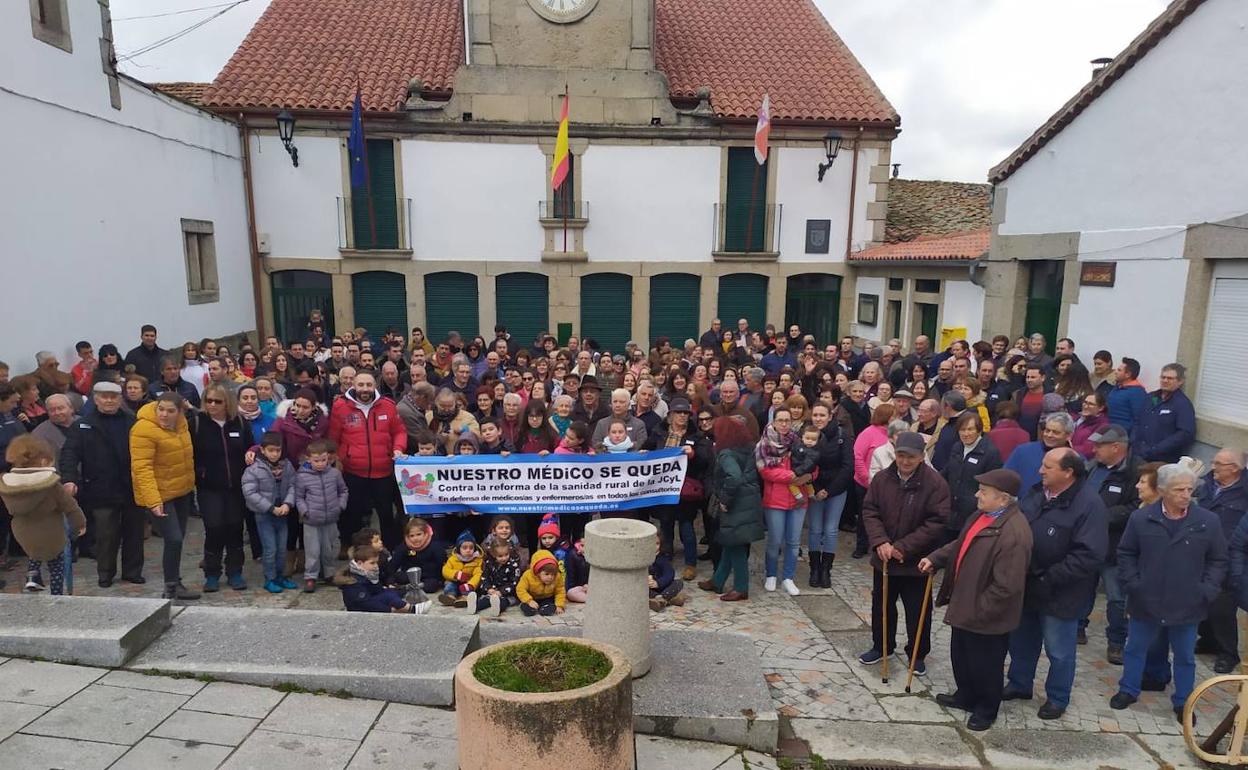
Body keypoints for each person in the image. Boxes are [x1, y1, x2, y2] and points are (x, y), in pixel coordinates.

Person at [1111, 463, 1227, 722]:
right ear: (1162, 491)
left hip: (1188, 602)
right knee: (1135, 649)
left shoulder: (1207, 521)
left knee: (1185, 656)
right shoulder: (1141, 518)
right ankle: (1128, 690)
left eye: (1189, 489)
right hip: (1146, 599)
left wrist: (1207, 589)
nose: (1186, 495)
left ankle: (1184, 702)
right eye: (1179, 490)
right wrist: (1134, 583)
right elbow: (1127, 552)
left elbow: (1218, 560)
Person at [919, 468, 1031, 731]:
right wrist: (936, 558)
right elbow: (962, 543)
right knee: (962, 656)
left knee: (986, 663)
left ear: (1003, 499)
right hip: (966, 605)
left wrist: (979, 611)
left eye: (984, 491)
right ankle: (966, 695)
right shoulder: (982, 515)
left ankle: (986, 708)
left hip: (985, 615)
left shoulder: (1014, 533)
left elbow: (1007, 586)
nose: (976, 494)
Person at [1005, 448, 1108, 719]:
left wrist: (1049, 578)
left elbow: (1089, 555)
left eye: (1047, 467)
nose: (1040, 471)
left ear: (1068, 472)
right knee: (1022, 641)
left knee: (1059, 650)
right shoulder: (1037, 492)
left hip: (1061, 591)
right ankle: (1019, 683)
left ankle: (1058, 697)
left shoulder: (1089, 504)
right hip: (1027, 584)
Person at [858, 431, 950, 674]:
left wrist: (903, 547)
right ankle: (881, 646)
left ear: (921, 457)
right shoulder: (882, 479)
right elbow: (870, 510)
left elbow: (937, 522)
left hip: (916, 562)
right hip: (885, 557)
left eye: (911, 457)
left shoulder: (935, 483)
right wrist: (881, 542)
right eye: (900, 455)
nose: (905, 461)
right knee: (882, 605)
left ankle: (917, 654)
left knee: (918, 611)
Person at [59, 381, 144, 587]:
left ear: (119, 399)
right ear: (96, 399)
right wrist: (69, 478)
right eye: (104, 396)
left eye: (113, 397)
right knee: (106, 534)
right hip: (100, 487)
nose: (109, 400)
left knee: (134, 532)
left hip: (131, 486)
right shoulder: (82, 425)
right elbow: (69, 453)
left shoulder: (132, 421)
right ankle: (105, 573)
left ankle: (132, 571)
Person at [1076, 424, 1141, 662]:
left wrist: (1103, 516)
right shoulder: (1092, 468)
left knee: (1116, 597)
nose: (1094, 449)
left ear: (1116, 447)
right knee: (1083, 589)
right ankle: (1078, 627)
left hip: (1115, 546)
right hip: (1088, 542)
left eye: (1099, 446)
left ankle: (1116, 642)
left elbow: (1137, 506)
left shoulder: (1135, 472)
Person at [130, 392, 199, 601]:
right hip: (160, 495)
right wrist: (153, 501)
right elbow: (141, 468)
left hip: (181, 490)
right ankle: (170, 587)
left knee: (178, 540)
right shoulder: (143, 429)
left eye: (171, 411)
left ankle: (175, 582)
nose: (165, 415)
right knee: (174, 538)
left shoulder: (182, 425)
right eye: (161, 409)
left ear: (179, 412)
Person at [0, 435, 87, 594]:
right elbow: (69, 506)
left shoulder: (7, 484)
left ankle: (32, 576)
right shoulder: (50, 484)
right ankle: (57, 592)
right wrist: (80, 523)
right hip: (49, 529)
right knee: (56, 563)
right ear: (43, 461)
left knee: (34, 549)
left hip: (22, 531)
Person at [329, 370, 406, 550]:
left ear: (375, 386)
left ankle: (389, 549)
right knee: (352, 513)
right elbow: (334, 437)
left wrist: (398, 448)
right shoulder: (340, 406)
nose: (365, 389)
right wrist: (337, 459)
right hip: (353, 471)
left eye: (369, 385)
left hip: (383, 471)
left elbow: (399, 431)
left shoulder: (388, 405)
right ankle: (352, 547)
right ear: (354, 385)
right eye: (361, 385)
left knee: (386, 514)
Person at [192, 384, 250, 593]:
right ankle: (212, 573)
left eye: (218, 401)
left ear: (228, 403)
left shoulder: (240, 423)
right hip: (209, 487)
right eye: (209, 401)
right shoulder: (198, 423)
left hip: (235, 487)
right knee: (214, 529)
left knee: (235, 528)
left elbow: (249, 448)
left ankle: (235, 571)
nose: (213, 405)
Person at [1197, 448, 1248, 673]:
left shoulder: (1245, 492)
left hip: (1229, 556)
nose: (1213, 466)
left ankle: (1228, 652)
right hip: (1201, 551)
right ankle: (1209, 640)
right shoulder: (1207, 484)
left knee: (1222, 606)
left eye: (1219, 464)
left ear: (1235, 469)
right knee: (1203, 598)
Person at [756, 408, 812, 597]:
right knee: (775, 540)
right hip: (775, 499)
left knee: (794, 541)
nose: (784, 424)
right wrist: (790, 476)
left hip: (799, 499)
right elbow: (765, 471)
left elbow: (813, 463)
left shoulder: (799, 442)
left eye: (787, 420)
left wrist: (809, 476)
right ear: (774, 421)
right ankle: (771, 573)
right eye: (780, 420)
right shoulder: (764, 443)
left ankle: (788, 577)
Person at [242, 431, 298, 593]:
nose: (274, 454)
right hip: (264, 513)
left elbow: (294, 485)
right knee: (270, 548)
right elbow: (250, 493)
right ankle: (270, 578)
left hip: (283, 511)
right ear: (263, 450)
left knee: (282, 548)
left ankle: (281, 576)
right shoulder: (254, 469)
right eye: (271, 450)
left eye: (278, 450)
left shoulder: (287, 466)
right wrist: (270, 508)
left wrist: (288, 503)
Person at [807, 402, 854, 588]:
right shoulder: (808, 435)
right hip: (815, 488)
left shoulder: (842, 436)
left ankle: (826, 569)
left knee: (831, 529)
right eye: (815, 415)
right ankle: (814, 568)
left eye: (822, 415)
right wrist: (817, 488)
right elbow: (804, 464)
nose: (818, 419)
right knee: (815, 529)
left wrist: (830, 490)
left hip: (836, 489)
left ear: (830, 416)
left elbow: (847, 466)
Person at [293, 438, 349, 593]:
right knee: (313, 550)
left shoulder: (334, 473)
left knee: (329, 548)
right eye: (316, 460)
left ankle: (329, 574)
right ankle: (310, 576)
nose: (320, 463)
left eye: (324, 460)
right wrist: (305, 511)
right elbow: (299, 497)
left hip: (331, 517)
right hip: (311, 520)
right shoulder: (302, 476)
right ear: (309, 459)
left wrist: (340, 505)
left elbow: (343, 491)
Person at [941, 412, 1003, 542]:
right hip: (951, 513)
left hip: (973, 515)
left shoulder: (990, 453)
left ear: (979, 430)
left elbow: (994, 486)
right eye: (962, 430)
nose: (966, 434)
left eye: (970, 429)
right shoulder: (957, 447)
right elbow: (947, 472)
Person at [337, 543, 429, 614]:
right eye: (372, 563)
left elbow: (377, 590)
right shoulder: (353, 582)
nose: (375, 566)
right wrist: (388, 609)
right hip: (359, 609)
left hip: (369, 600)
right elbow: (365, 603)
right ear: (360, 563)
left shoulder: (366, 574)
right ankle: (411, 609)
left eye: (376, 562)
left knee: (388, 592)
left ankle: (407, 606)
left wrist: (399, 590)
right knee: (387, 596)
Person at [1133, 363, 1196, 463]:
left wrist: (1157, 449)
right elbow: (1138, 421)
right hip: (1139, 454)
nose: (1165, 381)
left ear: (1180, 381)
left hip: (1162, 459)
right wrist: (1135, 442)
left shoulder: (1183, 404)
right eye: (1163, 377)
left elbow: (1185, 434)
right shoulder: (1151, 398)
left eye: (1170, 378)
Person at [1004, 412, 1075, 492]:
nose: (1049, 435)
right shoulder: (1022, 451)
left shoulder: (1075, 459)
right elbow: (1005, 479)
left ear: (1069, 436)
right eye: (1047, 430)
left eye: (1056, 432)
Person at [389, 516, 447, 595]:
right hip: (409, 576)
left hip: (429, 576)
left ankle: (414, 587)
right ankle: (409, 587)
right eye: (412, 536)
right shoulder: (404, 547)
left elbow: (443, 563)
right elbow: (394, 564)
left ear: (426, 533)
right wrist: (390, 580)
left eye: (419, 534)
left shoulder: (435, 546)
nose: (415, 538)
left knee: (432, 584)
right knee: (397, 577)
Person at [475, 539, 523, 616]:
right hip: (493, 591)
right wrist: (488, 588)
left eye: (506, 554)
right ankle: (475, 606)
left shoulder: (513, 565)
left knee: (503, 602)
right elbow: (484, 578)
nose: (504, 558)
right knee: (485, 600)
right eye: (500, 556)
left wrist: (501, 592)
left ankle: (497, 608)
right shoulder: (489, 564)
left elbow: (514, 582)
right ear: (493, 555)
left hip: (509, 594)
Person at [439, 530, 483, 608]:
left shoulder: (477, 560)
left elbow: (478, 574)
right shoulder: (453, 559)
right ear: (459, 549)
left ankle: (465, 598)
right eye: (465, 548)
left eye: (471, 548)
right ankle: (450, 596)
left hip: (468, 583)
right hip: (455, 581)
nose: (468, 550)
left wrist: (471, 584)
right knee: (449, 585)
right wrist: (456, 574)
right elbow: (445, 570)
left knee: (469, 591)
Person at [518, 549, 566, 615]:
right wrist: (529, 601)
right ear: (538, 573)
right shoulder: (527, 576)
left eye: (553, 574)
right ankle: (530, 609)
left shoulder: (557, 576)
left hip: (547, 598)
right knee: (525, 605)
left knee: (549, 604)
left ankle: (545, 609)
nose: (550, 577)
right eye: (546, 574)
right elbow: (520, 589)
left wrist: (559, 605)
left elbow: (560, 591)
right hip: (532, 597)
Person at [1107, 357, 1148, 434]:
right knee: (1092, 440)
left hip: (1120, 434)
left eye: (1119, 370)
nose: (1115, 372)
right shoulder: (1117, 387)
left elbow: (1139, 419)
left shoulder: (1137, 392)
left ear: (1128, 374)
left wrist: (1131, 440)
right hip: (1107, 428)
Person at [648, 534, 688, 611]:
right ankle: (669, 600)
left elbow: (669, 574)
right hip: (650, 589)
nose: (654, 546)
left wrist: (658, 583)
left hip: (663, 586)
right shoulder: (644, 559)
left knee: (678, 582)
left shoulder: (663, 559)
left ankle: (661, 599)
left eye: (657, 543)